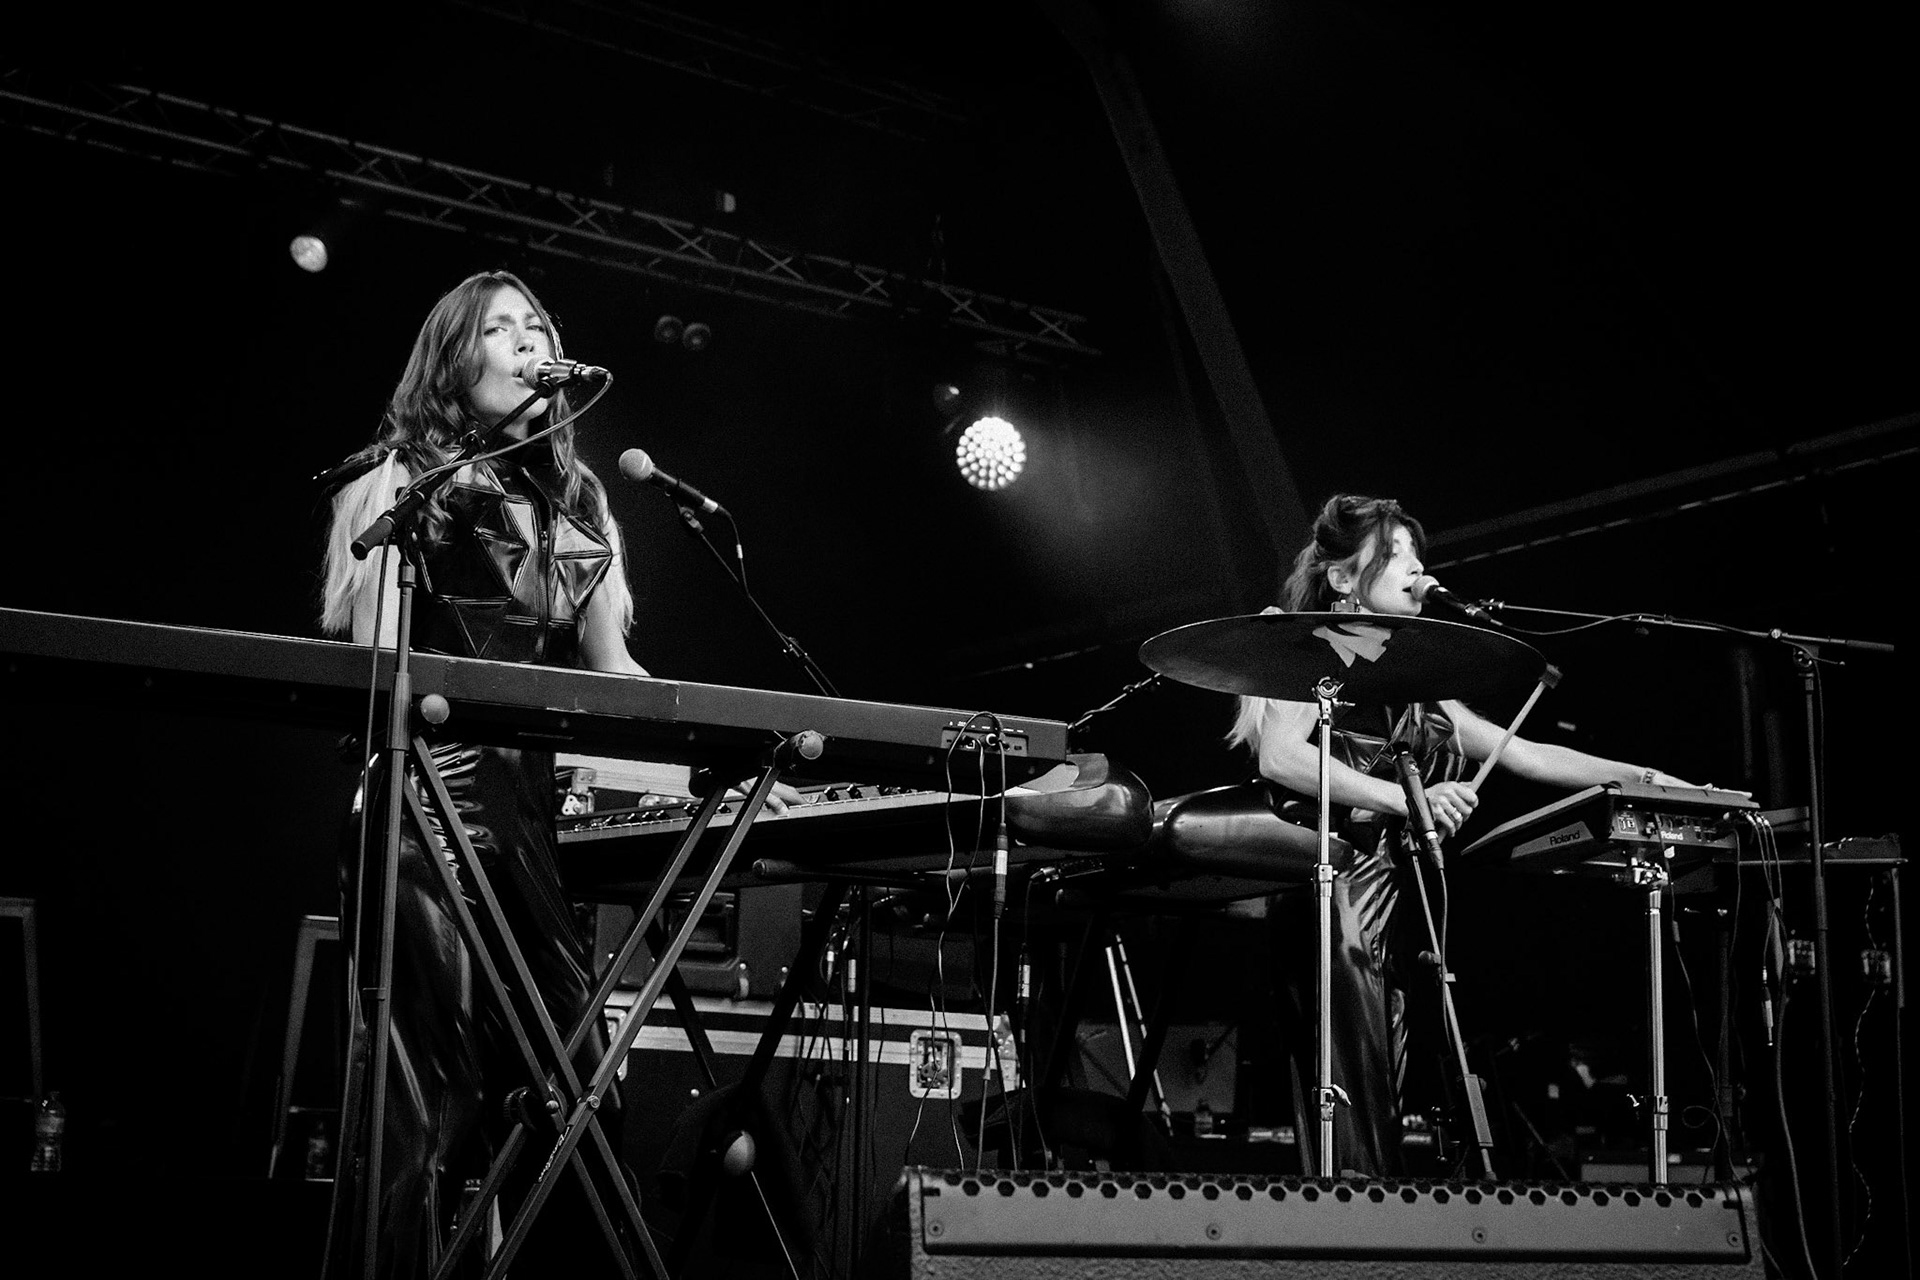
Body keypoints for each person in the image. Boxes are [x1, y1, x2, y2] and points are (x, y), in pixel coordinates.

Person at [318, 269, 649, 1276]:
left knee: (579, 1087)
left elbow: (617, 675)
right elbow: (368, 655)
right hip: (420, 806)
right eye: (498, 328)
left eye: (536, 325)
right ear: (453, 361)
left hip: (526, 819)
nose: (524, 339)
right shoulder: (393, 480)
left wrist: (721, 745)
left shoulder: (581, 506)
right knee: (432, 1102)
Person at [1228, 494, 1705, 1177]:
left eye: (1419, 557)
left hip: (1395, 899)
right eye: (1394, 555)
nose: (1416, 569)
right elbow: (1283, 757)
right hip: (1336, 888)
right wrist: (1408, 799)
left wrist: (1641, 774)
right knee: (1353, 1081)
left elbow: (1527, 754)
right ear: (1341, 580)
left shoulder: (1416, 671)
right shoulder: (1332, 643)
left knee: (1388, 1078)